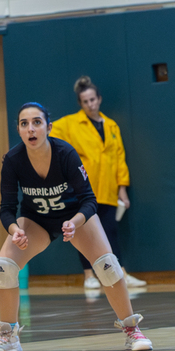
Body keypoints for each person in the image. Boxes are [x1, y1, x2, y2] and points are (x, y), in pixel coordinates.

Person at [0, 102, 152, 351]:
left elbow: (90, 201)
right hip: (36, 221)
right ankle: (8, 338)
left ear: (49, 127)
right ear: (18, 129)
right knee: (3, 267)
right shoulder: (13, 160)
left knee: (108, 265)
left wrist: (75, 222)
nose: (31, 128)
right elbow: (7, 208)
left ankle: (132, 330)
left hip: (74, 217)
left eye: (37, 122)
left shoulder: (65, 154)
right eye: (24, 123)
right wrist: (14, 228)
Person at [51, 77, 146, 290]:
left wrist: (122, 189)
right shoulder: (70, 124)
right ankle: (89, 276)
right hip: (83, 189)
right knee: (84, 233)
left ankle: (120, 273)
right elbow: (50, 137)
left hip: (108, 188)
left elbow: (119, 157)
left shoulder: (111, 125)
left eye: (93, 99)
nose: (90, 104)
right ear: (80, 104)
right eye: (85, 101)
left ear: (99, 99)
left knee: (110, 231)